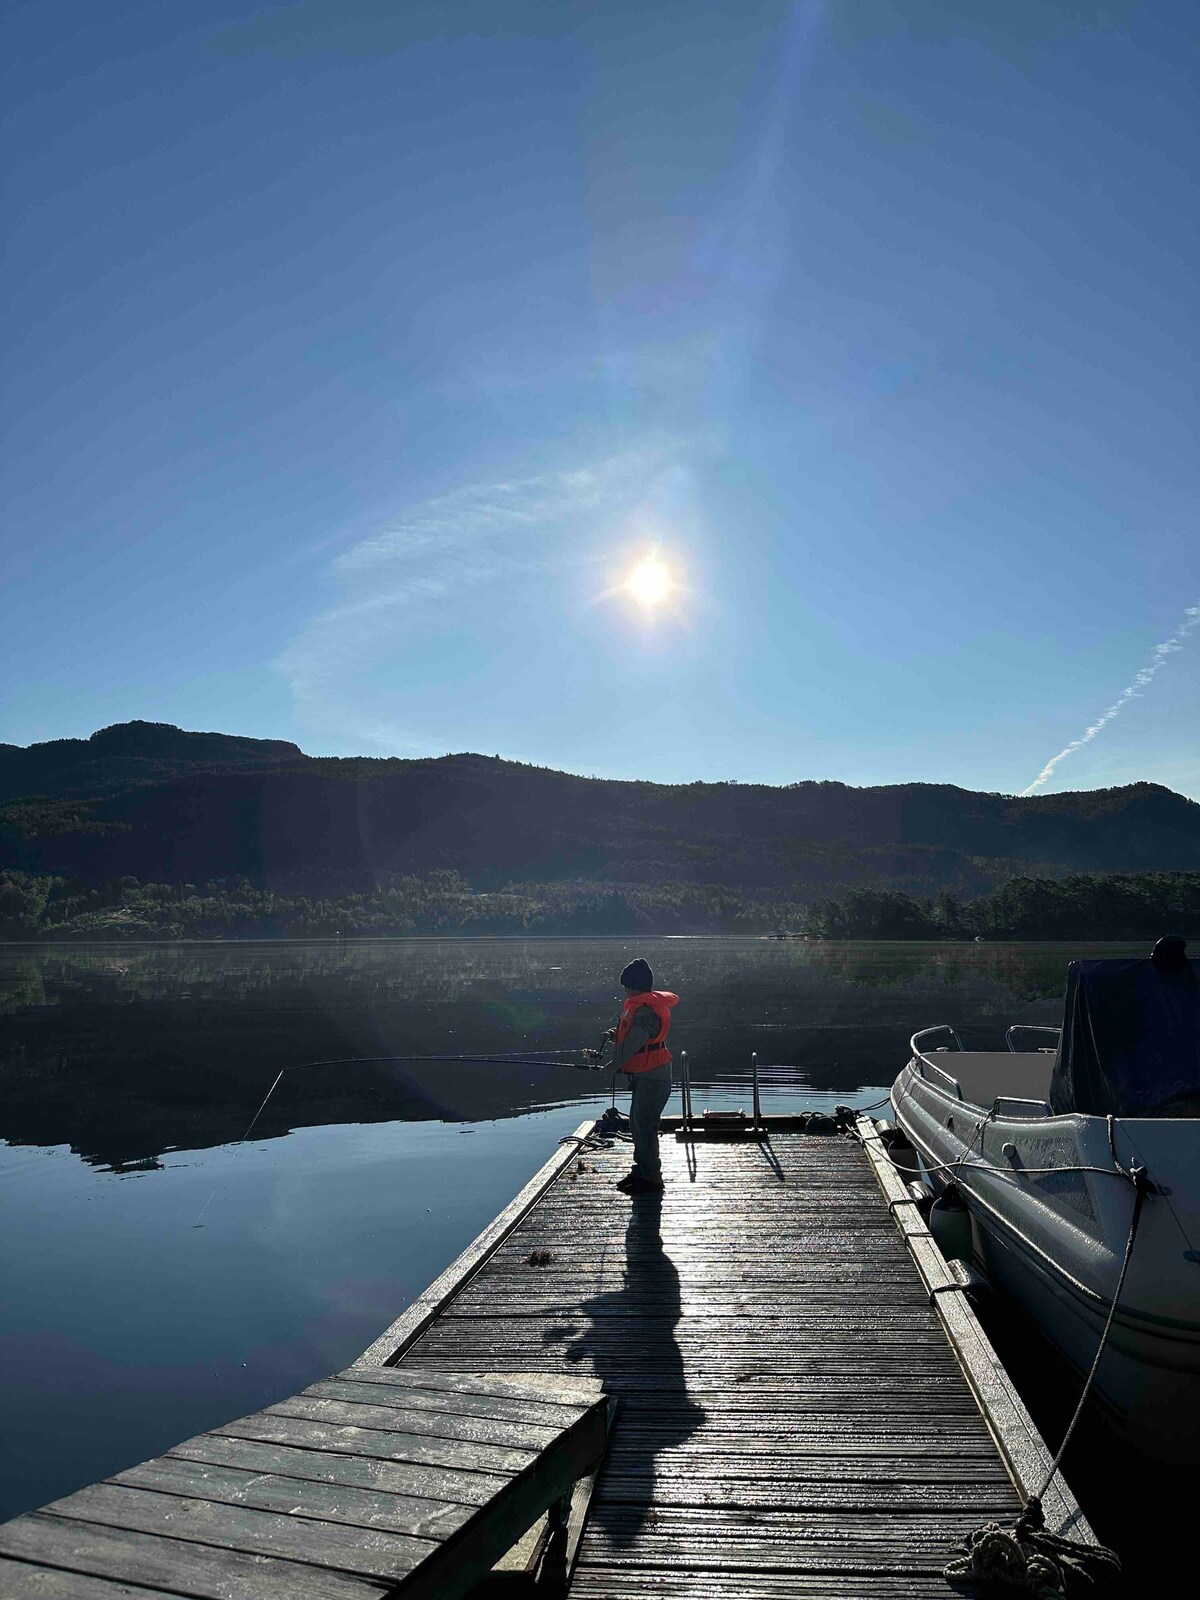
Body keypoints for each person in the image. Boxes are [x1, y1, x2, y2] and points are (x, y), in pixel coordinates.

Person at [599, 957, 678, 1195]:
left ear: (635, 985)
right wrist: (615, 1035)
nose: (624, 990)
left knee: (644, 1127)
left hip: (654, 1078)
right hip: (647, 1075)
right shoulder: (642, 1007)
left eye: (626, 985)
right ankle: (641, 1171)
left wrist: (614, 1064)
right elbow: (634, 1038)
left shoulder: (645, 1011)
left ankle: (651, 1178)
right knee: (637, 1124)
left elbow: (634, 1043)